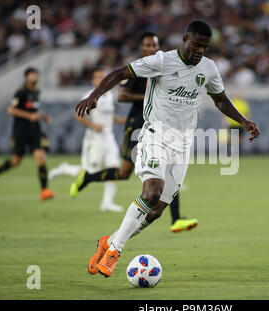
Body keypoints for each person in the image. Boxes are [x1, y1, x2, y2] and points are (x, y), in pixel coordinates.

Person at [75, 20, 259, 277]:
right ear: (186, 39)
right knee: (151, 193)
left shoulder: (208, 68)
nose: (200, 52)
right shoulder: (161, 61)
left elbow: (221, 100)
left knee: (157, 211)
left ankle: (109, 241)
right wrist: (94, 95)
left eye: (205, 47)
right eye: (196, 45)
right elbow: (119, 73)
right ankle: (115, 250)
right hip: (154, 136)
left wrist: (243, 121)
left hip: (183, 146)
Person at [70, 31, 198, 232]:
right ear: (141, 48)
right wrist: (150, 97)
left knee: (167, 170)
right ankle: (87, 178)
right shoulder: (139, 69)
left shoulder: (163, 66)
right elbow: (122, 96)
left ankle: (175, 219)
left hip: (159, 128)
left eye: (154, 45)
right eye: (147, 46)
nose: (151, 49)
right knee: (123, 173)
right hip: (136, 125)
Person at [51, 68, 126, 212]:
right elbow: (78, 116)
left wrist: (119, 120)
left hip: (109, 138)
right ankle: (64, 168)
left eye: (102, 77)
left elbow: (109, 114)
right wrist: (93, 126)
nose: (100, 79)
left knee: (115, 169)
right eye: (97, 77)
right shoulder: (89, 95)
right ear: (93, 80)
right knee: (90, 172)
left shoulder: (109, 96)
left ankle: (107, 202)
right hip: (95, 139)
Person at [0, 67, 54, 201]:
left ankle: (44, 190)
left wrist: (42, 117)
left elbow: (34, 110)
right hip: (21, 131)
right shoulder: (21, 92)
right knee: (16, 161)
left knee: (40, 157)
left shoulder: (36, 92)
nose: (35, 77)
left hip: (34, 130)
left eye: (36, 74)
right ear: (26, 77)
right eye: (32, 75)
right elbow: (11, 110)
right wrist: (29, 116)